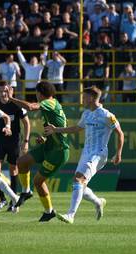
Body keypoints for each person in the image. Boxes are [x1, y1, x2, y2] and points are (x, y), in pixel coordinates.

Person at [44, 86, 124, 224]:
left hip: (98, 154)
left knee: (78, 180)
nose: (83, 99)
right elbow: (76, 128)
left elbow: (120, 133)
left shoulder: (106, 115)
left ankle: (71, 215)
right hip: (86, 153)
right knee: (79, 184)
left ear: (92, 98)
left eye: (85, 96)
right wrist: (56, 130)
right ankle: (98, 202)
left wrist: (118, 154)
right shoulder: (86, 113)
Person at [8, 81, 69, 222]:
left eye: (36, 93)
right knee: (21, 162)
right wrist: (45, 137)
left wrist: (12, 99)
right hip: (49, 145)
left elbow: (30, 107)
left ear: (40, 94)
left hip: (58, 152)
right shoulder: (53, 104)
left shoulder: (49, 103)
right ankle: (26, 191)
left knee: (38, 181)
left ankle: (49, 211)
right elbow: (56, 126)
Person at [0, 82, 31, 212]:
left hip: (13, 141)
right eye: (1, 91)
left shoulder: (16, 104)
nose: (3, 93)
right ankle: (2, 199)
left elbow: (26, 123)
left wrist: (26, 140)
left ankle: (13, 201)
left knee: (14, 168)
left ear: (10, 91)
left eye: (6, 91)